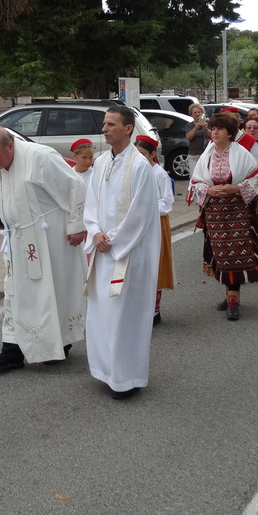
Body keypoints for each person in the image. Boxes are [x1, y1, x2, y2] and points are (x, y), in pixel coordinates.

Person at [0, 126, 87, 369]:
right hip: (17, 240)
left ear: (10, 146)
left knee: (51, 292)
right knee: (14, 292)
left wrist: (76, 225)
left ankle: (59, 343)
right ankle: (12, 349)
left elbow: (75, 186)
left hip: (50, 239)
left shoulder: (40, 157)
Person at [83, 106, 162, 400]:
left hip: (128, 253)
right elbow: (91, 203)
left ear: (128, 129)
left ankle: (126, 378)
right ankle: (105, 371)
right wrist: (95, 232)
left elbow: (141, 214)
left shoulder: (140, 166)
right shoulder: (101, 162)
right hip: (102, 251)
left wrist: (113, 239)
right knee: (101, 315)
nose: (104, 129)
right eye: (104, 123)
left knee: (123, 317)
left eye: (111, 124)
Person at [189, 111, 258, 320]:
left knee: (236, 254)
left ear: (230, 133)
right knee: (220, 254)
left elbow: (255, 178)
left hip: (237, 210)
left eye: (220, 129)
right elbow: (196, 182)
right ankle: (229, 293)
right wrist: (209, 190)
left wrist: (236, 188)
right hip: (214, 213)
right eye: (213, 128)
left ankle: (233, 298)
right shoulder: (207, 154)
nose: (215, 132)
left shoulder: (241, 153)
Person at [134, 135, 175, 326]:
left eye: (142, 154)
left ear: (152, 155)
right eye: (136, 154)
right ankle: (139, 308)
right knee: (139, 265)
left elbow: (167, 202)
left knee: (155, 264)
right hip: (136, 224)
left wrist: (146, 208)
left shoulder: (159, 174)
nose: (139, 158)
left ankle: (154, 309)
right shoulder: (133, 171)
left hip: (156, 224)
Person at [185, 103, 210, 167]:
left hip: (206, 154)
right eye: (195, 112)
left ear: (202, 113)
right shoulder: (189, 125)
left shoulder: (208, 123)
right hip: (193, 155)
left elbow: (213, 136)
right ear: (191, 114)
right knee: (193, 172)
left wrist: (206, 129)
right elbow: (188, 137)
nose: (197, 114)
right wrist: (196, 127)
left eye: (199, 112)